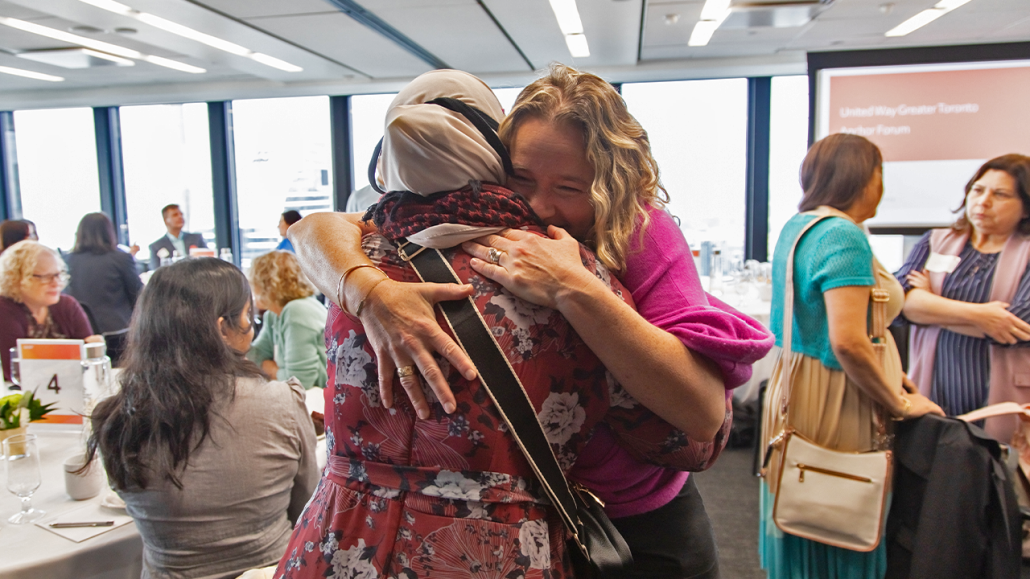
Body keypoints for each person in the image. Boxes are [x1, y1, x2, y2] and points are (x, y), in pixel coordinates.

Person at [288, 64, 774, 578]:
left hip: (638, 516)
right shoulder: (453, 232)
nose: (542, 207)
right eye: (522, 178)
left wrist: (575, 287)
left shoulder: (639, 233)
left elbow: (701, 418)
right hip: (543, 514)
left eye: (569, 187)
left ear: (610, 185)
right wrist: (370, 290)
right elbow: (317, 230)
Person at [759, 133, 943, 579]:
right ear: (863, 176)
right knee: (843, 503)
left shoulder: (800, 225)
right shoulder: (844, 235)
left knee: (808, 498)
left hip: (799, 383)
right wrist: (896, 403)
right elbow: (848, 342)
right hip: (838, 392)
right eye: (881, 173)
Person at [85, 257, 319, 579]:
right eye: (248, 316)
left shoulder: (113, 418)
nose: (251, 326)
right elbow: (309, 510)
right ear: (223, 328)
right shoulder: (280, 403)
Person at [895, 154, 1030, 441]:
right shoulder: (936, 240)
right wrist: (983, 316)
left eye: (1000, 194)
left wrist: (930, 305)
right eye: (978, 190)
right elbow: (900, 304)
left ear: (1025, 208)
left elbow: (1017, 326)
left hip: (1003, 404)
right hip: (933, 395)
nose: (983, 201)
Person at [0, 240, 102, 381]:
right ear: (17, 278)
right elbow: (16, 372)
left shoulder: (67, 305)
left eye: (57, 275)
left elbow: (88, 361)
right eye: (45, 277)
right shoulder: (4, 310)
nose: (56, 283)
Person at [64, 213, 142, 364]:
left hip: (82, 334)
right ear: (109, 232)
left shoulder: (67, 260)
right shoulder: (120, 258)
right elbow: (137, 294)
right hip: (119, 334)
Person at [248, 250, 328, 389]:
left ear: (268, 284)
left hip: (320, 399)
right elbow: (255, 357)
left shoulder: (298, 310)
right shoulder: (273, 314)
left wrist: (271, 369)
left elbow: (300, 380)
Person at [148, 203, 207, 270]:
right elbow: (156, 270)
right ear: (166, 220)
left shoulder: (196, 238)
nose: (180, 217)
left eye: (181, 214)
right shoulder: (156, 246)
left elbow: (208, 260)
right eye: (175, 215)